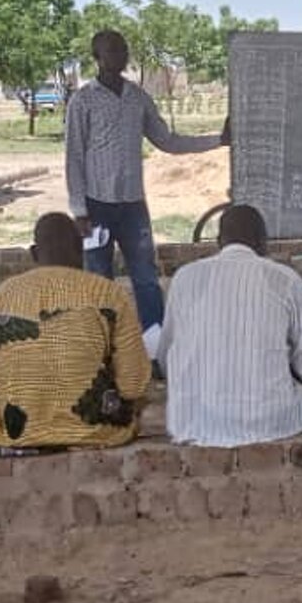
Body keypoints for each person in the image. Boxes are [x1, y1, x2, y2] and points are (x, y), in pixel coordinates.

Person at [66, 29, 230, 362]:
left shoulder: (137, 98)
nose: (121, 55)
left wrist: (219, 140)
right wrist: (78, 209)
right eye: (113, 50)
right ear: (97, 57)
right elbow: (74, 157)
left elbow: (168, 141)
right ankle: (104, 353)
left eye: (124, 49)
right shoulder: (82, 100)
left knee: (145, 278)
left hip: (132, 208)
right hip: (95, 208)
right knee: (99, 280)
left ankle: (156, 350)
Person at [0, 213, 152, 455]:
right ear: (80, 247)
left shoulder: (0, 295)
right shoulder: (107, 293)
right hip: (96, 432)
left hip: (18, 434)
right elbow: (133, 384)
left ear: (35, 254)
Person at [161, 205, 302, 446]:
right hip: (270, 419)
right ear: (263, 242)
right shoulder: (283, 279)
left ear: (219, 241)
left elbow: (166, 357)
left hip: (197, 418)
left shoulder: (185, 278)